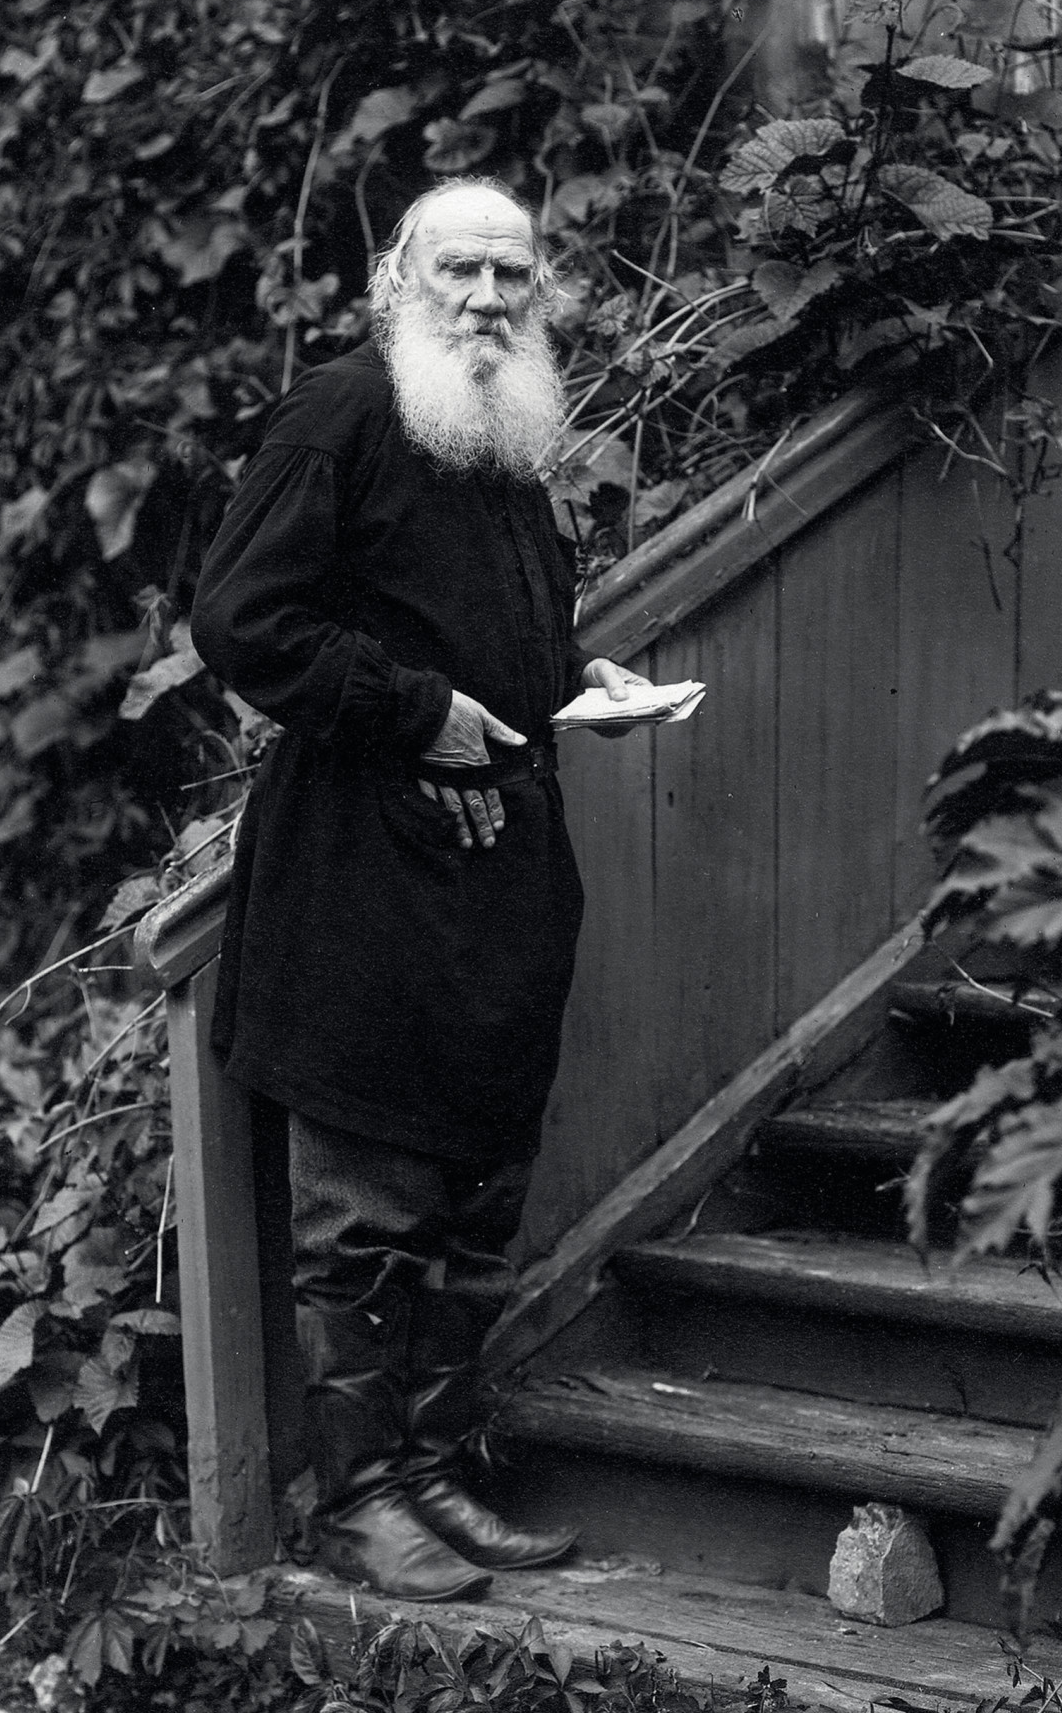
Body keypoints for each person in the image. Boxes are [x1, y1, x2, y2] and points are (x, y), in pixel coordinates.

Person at [190, 178, 647, 1603]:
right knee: (367, 1216)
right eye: (460, 269)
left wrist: (575, 676)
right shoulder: (339, 413)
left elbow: (471, 628)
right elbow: (243, 620)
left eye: (513, 271)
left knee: (469, 1209)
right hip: (363, 880)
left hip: (500, 885)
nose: (489, 297)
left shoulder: (499, 433)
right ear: (397, 280)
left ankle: (434, 1475)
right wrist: (414, 714)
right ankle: (359, 1500)